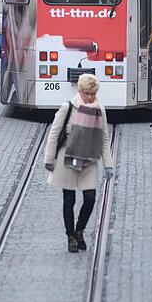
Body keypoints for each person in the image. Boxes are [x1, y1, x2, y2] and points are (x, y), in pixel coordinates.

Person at [43, 74, 114, 253]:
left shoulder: (100, 110)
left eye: (92, 94)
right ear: (80, 91)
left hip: (89, 159)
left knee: (90, 198)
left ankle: (80, 229)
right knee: (69, 199)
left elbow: (104, 138)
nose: (89, 97)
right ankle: (71, 236)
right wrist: (49, 159)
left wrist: (108, 164)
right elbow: (54, 133)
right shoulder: (67, 107)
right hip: (67, 157)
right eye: (86, 93)